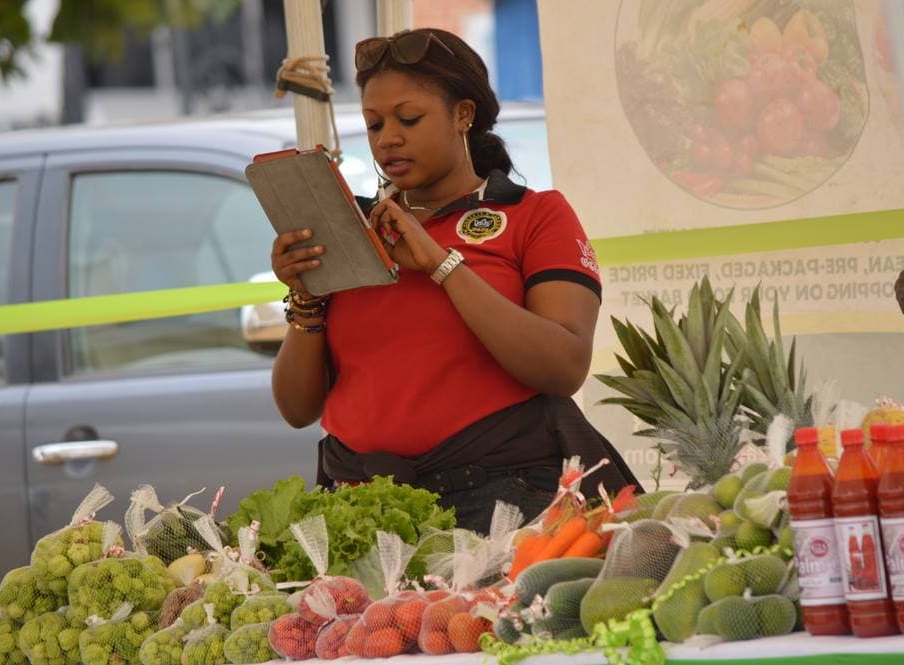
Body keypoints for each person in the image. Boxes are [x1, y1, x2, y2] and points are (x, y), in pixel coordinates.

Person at [269, 28, 639, 534]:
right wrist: (307, 301)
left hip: (502, 503)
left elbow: (563, 367)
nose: (388, 138)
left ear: (463, 114)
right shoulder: (354, 231)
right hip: (362, 509)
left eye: (409, 118)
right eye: (374, 124)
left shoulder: (535, 216)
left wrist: (444, 266)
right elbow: (296, 409)